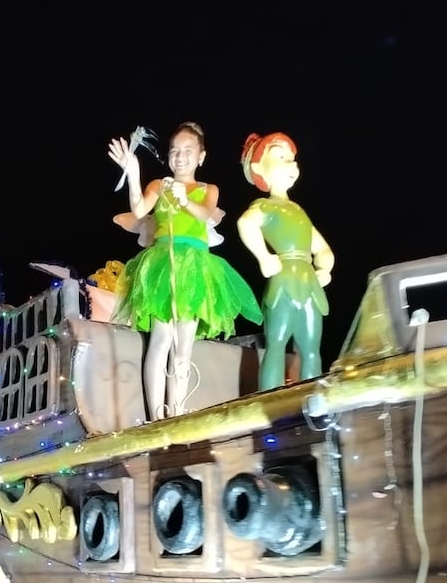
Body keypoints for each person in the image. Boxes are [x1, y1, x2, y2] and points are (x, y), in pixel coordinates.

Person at [107, 121, 263, 420]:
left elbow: (205, 214)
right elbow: (139, 211)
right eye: (175, 151)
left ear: (201, 156)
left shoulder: (208, 189)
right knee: (160, 340)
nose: (180, 156)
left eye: (188, 150)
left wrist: (184, 199)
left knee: (183, 347)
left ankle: (176, 413)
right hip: (163, 266)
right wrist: (134, 172)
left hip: (194, 269)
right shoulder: (159, 185)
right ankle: (156, 417)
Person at [237, 132, 334, 392]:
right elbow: (246, 223)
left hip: (309, 285)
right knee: (277, 343)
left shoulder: (299, 212)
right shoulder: (265, 206)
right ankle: (271, 400)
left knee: (311, 347)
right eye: (281, 157)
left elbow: (323, 249)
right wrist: (263, 257)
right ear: (259, 168)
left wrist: (324, 267)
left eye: (292, 159)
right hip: (282, 282)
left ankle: (313, 401)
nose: (291, 164)